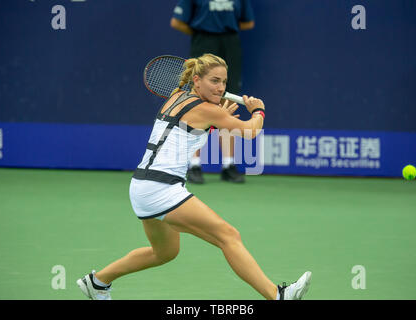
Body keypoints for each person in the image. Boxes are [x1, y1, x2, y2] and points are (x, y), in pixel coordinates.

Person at [76, 54, 311, 300]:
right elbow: (251, 132)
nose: (220, 87)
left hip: (141, 186)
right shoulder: (208, 109)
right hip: (161, 188)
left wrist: (216, 120)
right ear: (197, 81)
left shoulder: (176, 97)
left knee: (164, 252)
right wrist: (258, 110)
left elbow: (192, 128)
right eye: (214, 81)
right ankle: (277, 296)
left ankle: (98, 282)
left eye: (223, 82)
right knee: (228, 235)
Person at [170, 0, 255, 184]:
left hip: (229, 44)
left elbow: (248, 22)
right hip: (203, 42)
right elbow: (177, 22)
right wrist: (204, 31)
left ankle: (228, 165)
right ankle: (193, 165)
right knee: (196, 102)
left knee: (228, 102)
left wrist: (221, 29)